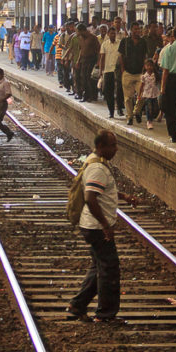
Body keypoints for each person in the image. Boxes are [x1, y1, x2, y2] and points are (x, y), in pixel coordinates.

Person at [66, 131, 137, 323]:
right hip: (96, 227)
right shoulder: (97, 167)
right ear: (101, 146)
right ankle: (105, 314)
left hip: (91, 225)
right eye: (112, 145)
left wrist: (124, 197)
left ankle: (77, 306)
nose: (116, 149)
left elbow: (102, 190)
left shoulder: (96, 161)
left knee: (99, 266)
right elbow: (90, 197)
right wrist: (105, 224)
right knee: (109, 269)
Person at [119, 22, 150, 125]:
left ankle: (137, 111)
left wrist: (144, 70)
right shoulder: (125, 41)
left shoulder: (143, 42)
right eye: (135, 29)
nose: (138, 31)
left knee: (142, 94)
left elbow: (145, 56)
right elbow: (121, 56)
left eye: (139, 29)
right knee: (128, 97)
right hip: (127, 72)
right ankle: (129, 117)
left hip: (139, 73)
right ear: (131, 30)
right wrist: (123, 70)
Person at [98, 26, 121, 119]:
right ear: (108, 34)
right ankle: (111, 111)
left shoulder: (120, 43)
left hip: (117, 70)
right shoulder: (104, 44)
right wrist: (101, 70)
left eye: (114, 33)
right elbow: (102, 58)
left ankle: (119, 108)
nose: (113, 35)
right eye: (111, 33)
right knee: (108, 92)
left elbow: (122, 57)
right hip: (107, 71)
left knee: (119, 91)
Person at [134, 59, 160, 130]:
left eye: (151, 66)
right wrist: (139, 95)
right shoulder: (143, 76)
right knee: (149, 107)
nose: (149, 67)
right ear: (145, 67)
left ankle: (149, 117)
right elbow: (142, 86)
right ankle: (149, 121)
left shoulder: (155, 75)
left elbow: (158, 83)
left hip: (154, 94)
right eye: (148, 66)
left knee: (155, 107)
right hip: (146, 94)